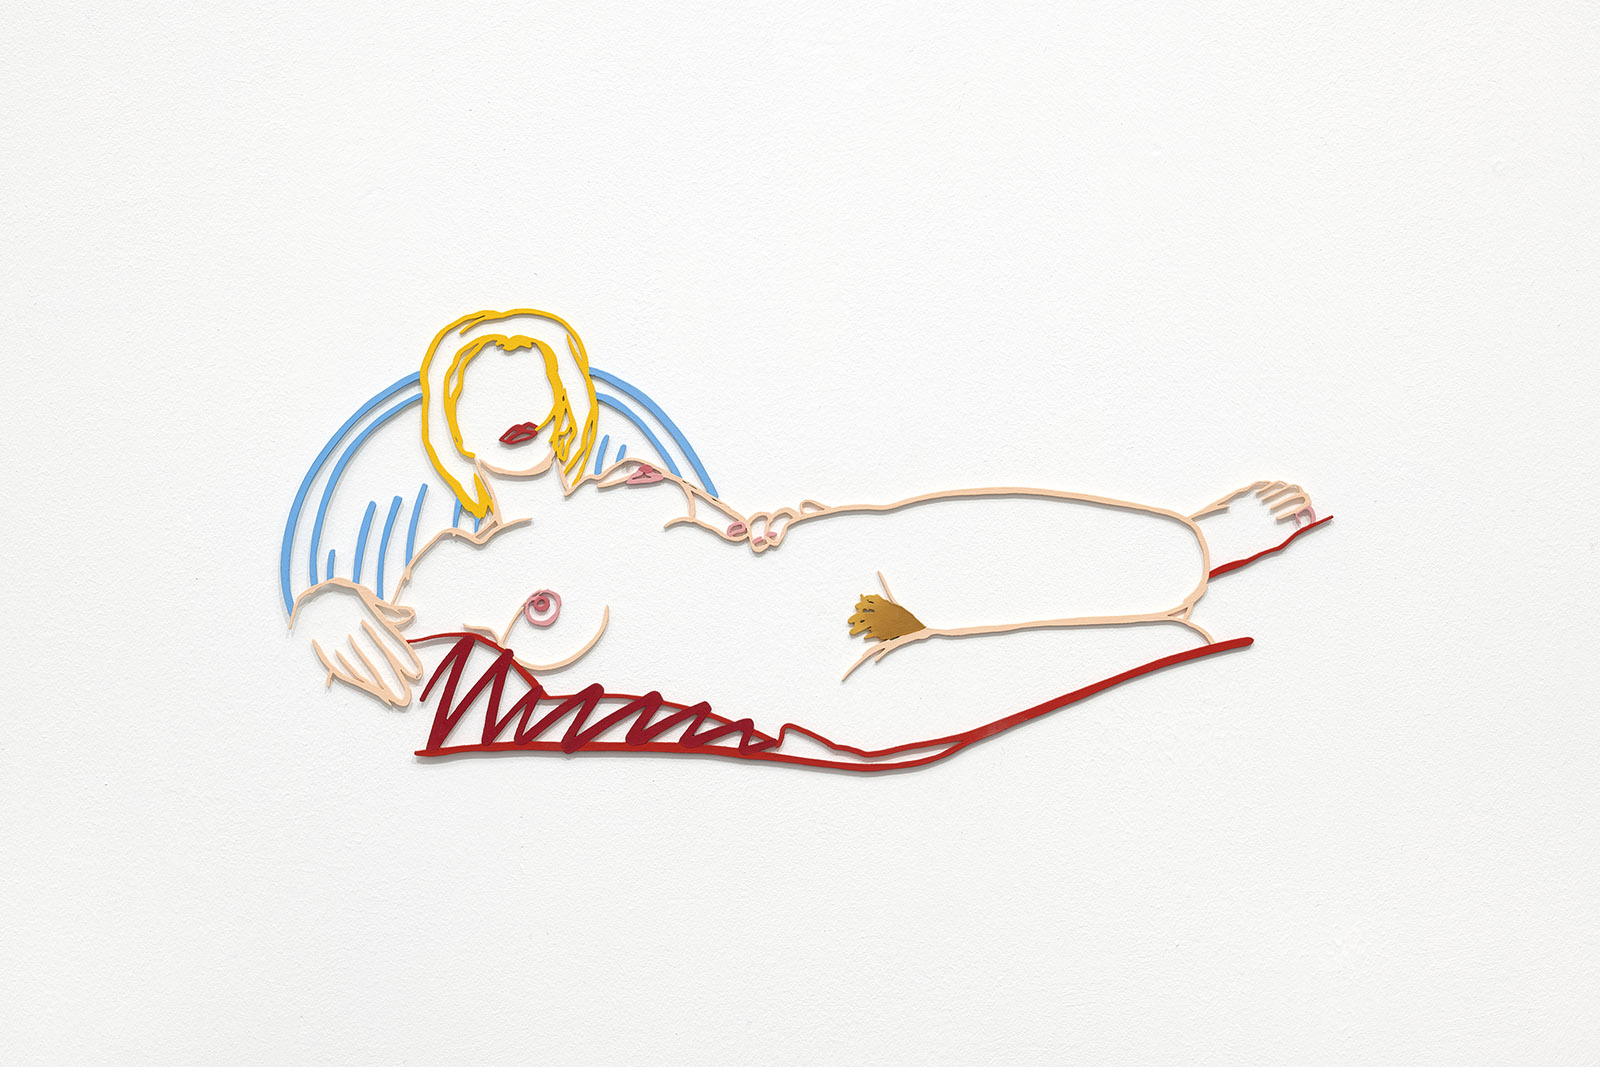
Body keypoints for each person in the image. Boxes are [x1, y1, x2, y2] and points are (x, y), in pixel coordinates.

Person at [289, 308, 1317, 715]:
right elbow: (387, 627)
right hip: (785, 672)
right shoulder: (465, 565)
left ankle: (1203, 546)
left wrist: (757, 524)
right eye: (489, 403)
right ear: (453, 431)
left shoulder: (624, 481)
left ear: (570, 402)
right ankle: (1193, 615)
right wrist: (326, 611)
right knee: (1118, 657)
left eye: (542, 388)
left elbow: (718, 527)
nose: (523, 415)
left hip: (822, 569)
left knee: (980, 538)